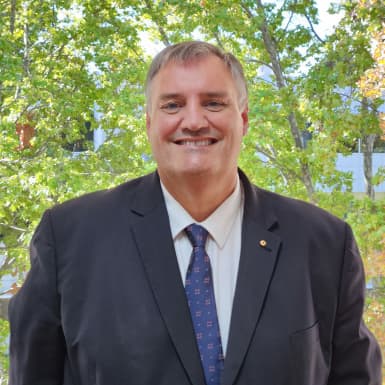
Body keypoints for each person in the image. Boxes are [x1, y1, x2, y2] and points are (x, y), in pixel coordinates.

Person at [9, 41, 381, 385]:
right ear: (149, 123)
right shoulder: (71, 238)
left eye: (214, 103)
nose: (194, 121)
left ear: (244, 119)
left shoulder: (323, 244)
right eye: (172, 105)